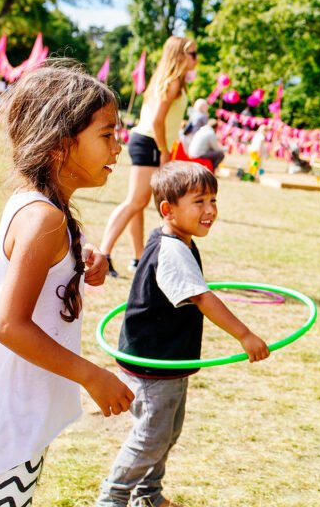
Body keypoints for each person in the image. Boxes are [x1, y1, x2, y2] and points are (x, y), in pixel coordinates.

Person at [0, 66, 134, 506]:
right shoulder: (44, 218)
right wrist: (92, 376)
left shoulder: (39, 206)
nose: (118, 147)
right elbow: (9, 326)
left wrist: (80, 263)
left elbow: (40, 268)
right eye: (107, 135)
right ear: (62, 145)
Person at [96, 162, 270, 507]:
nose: (210, 210)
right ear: (168, 210)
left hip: (169, 361)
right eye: (199, 201)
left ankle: (148, 495)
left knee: (166, 434)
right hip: (153, 364)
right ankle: (111, 499)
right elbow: (203, 297)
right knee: (150, 438)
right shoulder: (172, 250)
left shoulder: (177, 240)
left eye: (213, 200)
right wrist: (245, 335)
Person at [99, 36, 198, 278]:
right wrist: (164, 150)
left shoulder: (168, 80)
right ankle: (104, 254)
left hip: (147, 141)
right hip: (150, 142)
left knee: (139, 204)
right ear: (180, 55)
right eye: (193, 54)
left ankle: (138, 257)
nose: (196, 59)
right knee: (134, 201)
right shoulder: (172, 82)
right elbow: (157, 121)